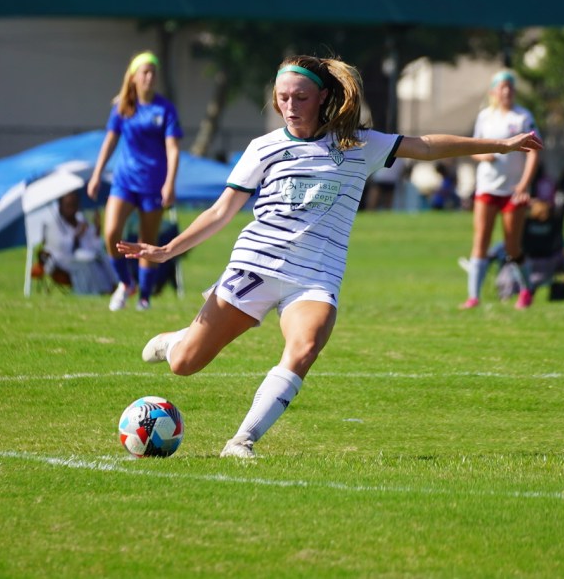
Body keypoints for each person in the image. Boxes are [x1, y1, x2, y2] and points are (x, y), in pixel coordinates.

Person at [116, 55, 541, 458]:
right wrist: (169, 249)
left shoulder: (357, 145)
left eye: (300, 97)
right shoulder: (263, 148)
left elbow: (426, 146)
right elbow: (220, 211)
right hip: (256, 266)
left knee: (304, 346)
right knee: (185, 365)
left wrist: (501, 145)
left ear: (322, 97)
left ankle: (241, 441)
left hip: (315, 277)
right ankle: (178, 340)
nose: (290, 106)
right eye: (283, 98)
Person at [88, 51, 182, 312]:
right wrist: (97, 174)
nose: (150, 77)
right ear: (133, 76)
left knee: (147, 242)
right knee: (111, 232)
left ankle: (144, 297)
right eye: (145, 72)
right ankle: (125, 283)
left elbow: (173, 148)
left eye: (154, 72)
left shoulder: (165, 109)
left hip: (154, 184)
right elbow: (110, 140)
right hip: (125, 181)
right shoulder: (123, 107)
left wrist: (170, 183)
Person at [461, 69, 541, 310]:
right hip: (487, 187)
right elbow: (474, 148)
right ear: (493, 92)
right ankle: (473, 297)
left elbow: (535, 150)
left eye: (510, 87)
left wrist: (524, 184)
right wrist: (483, 157)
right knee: (480, 241)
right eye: (502, 87)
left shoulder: (522, 117)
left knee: (512, 246)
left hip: (512, 190)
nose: (507, 91)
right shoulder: (485, 116)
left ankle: (526, 290)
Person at [39, 191, 117, 295]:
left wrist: (97, 230)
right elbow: (60, 247)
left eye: (74, 205)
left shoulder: (81, 221)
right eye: (68, 205)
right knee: (86, 265)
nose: (72, 209)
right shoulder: (52, 225)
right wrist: (76, 235)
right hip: (59, 261)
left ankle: (115, 286)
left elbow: (94, 246)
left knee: (103, 258)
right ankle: (95, 292)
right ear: (60, 206)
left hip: (84, 257)